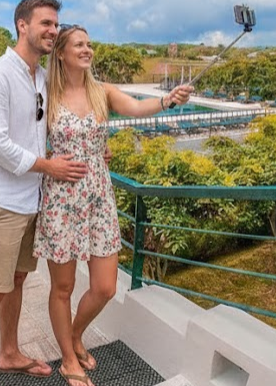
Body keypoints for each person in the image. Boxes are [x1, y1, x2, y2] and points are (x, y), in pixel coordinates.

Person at [34, 24, 193, 386]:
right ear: (60, 53)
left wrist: (168, 100)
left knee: (105, 286)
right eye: (79, 44)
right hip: (61, 197)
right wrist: (47, 161)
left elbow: (137, 108)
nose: (87, 50)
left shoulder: (101, 91)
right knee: (62, 287)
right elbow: (27, 136)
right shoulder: (46, 94)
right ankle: (68, 359)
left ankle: (74, 335)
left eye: (89, 44)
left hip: (99, 197)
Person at [0, 0, 89, 386]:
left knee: (16, 282)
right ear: (22, 25)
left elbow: (36, 131)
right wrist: (48, 165)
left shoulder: (38, 76)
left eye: (56, 24)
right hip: (0, 201)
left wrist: (58, 154)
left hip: (30, 199)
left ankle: (9, 352)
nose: (53, 30)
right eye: (46, 24)